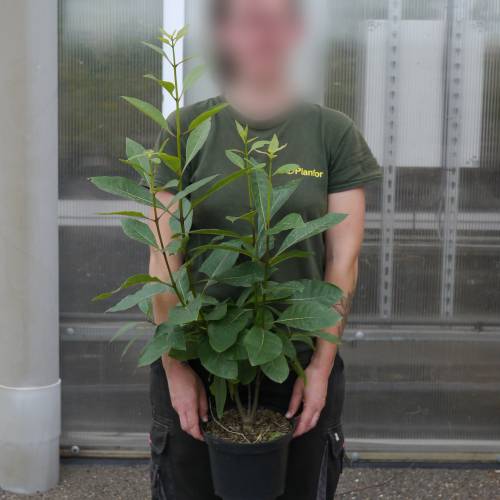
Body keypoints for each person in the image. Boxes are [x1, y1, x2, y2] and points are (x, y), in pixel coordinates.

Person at [147, 0, 382, 498]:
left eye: (278, 19)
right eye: (249, 19)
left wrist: (319, 366)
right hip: (200, 353)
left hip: (292, 358)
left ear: (296, 32)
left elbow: (343, 262)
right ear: (225, 34)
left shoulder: (331, 132)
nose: (263, 34)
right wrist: (174, 366)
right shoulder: (186, 130)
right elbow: (163, 259)